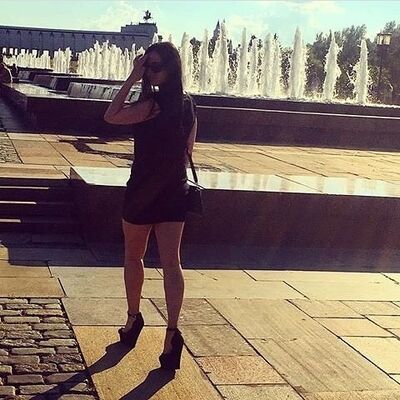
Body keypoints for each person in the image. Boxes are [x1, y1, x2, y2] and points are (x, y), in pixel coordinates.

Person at [104, 42, 197, 371]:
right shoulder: (188, 104)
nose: (149, 72)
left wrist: (132, 76)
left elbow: (110, 115)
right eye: (147, 66)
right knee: (172, 262)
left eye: (154, 67)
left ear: (171, 68)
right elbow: (188, 151)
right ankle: (172, 334)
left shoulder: (149, 106)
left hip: (143, 189)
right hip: (174, 189)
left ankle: (133, 320)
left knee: (134, 256)